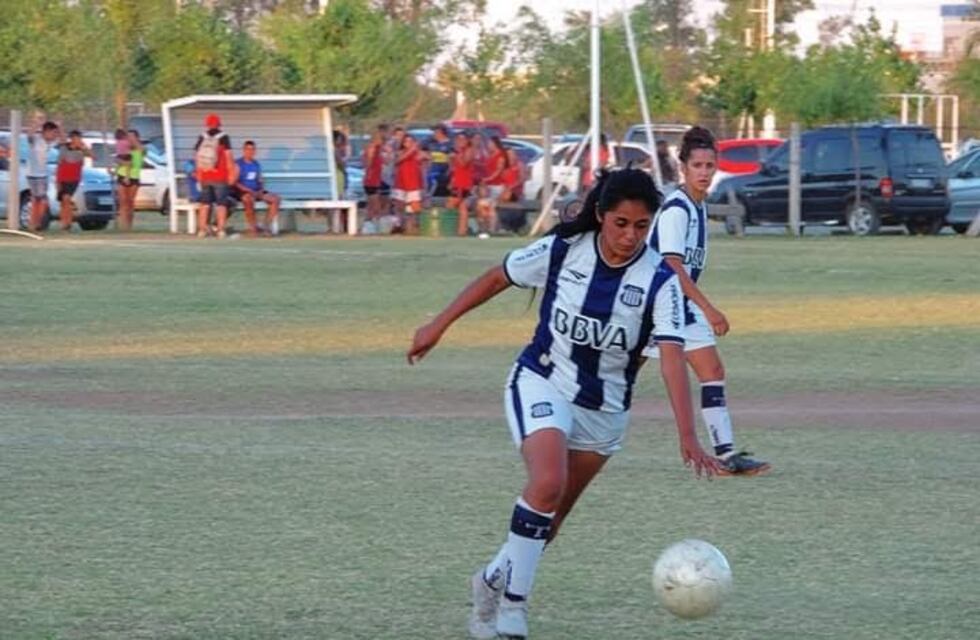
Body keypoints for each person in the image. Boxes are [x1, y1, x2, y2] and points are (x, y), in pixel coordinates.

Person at [407, 167, 722, 639]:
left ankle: (492, 579)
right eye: (620, 223)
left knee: (547, 523)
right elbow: (498, 277)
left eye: (641, 226)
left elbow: (672, 359)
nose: (629, 236)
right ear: (600, 215)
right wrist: (438, 324)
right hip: (542, 381)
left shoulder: (659, 280)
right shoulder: (563, 250)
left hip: (605, 412)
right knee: (547, 482)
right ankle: (513, 607)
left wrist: (687, 434)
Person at [645, 126, 770, 476]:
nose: (704, 172)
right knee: (613, 379)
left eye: (709, 165)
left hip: (679, 305)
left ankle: (727, 456)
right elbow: (671, 266)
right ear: (683, 167)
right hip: (651, 307)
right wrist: (708, 308)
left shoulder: (698, 208)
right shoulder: (677, 210)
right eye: (697, 165)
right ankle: (570, 440)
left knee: (712, 370)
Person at [193, 113, 235, 238]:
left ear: (207, 124)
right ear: (218, 124)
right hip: (220, 176)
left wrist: (199, 173)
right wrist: (231, 173)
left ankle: (202, 230)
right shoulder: (224, 137)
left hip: (205, 175)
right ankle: (221, 230)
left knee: (205, 204)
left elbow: (196, 157)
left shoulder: (202, 137)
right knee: (221, 204)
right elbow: (229, 157)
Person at [233, 140, 280, 236]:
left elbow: (260, 180)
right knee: (248, 199)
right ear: (244, 150)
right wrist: (248, 190)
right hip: (243, 191)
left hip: (256, 191)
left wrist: (260, 190)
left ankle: (266, 226)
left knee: (275, 199)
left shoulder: (256, 164)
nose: (250, 151)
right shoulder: (238, 164)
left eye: (252, 149)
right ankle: (253, 228)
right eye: (248, 149)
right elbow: (234, 182)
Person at [55, 130, 92, 231]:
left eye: (79, 138)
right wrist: (57, 181)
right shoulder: (64, 149)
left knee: (67, 199)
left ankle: (68, 223)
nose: (78, 140)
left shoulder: (81, 150)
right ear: (71, 139)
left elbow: (92, 156)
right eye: (76, 138)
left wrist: (84, 148)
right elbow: (59, 165)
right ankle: (64, 223)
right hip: (63, 178)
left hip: (74, 179)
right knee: (63, 202)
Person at [26, 121, 59, 232]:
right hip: (33, 174)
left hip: (42, 175)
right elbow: (29, 135)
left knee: (40, 200)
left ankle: (35, 223)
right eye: (53, 132)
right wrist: (37, 122)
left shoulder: (49, 142)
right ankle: (34, 223)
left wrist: (59, 125)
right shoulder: (36, 139)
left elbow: (61, 140)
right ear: (46, 131)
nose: (54, 135)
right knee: (39, 200)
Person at [475, 136, 509, 238]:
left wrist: (487, 179)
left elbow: (498, 171)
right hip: (489, 186)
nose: (488, 146)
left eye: (490, 143)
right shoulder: (490, 155)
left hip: (497, 186)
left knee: (491, 206)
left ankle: (492, 229)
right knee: (483, 206)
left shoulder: (501, 156)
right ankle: (485, 228)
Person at [394, 133, 424, 234]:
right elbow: (399, 159)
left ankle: (414, 226)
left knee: (414, 206)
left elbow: (425, 159)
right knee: (400, 206)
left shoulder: (417, 153)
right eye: (406, 141)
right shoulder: (400, 152)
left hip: (413, 182)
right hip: (401, 182)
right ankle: (401, 226)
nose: (409, 144)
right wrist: (413, 149)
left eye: (411, 141)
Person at [115, 129, 144, 231]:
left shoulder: (140, 149)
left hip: (134, 176)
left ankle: (129, 224)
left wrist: (134, 141)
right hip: (123, 175)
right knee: (123, 200)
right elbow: (118, 159)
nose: (130, 139)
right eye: (128, 137)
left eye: (132, 137)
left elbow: (142, 151)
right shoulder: (124, 148)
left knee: (130, 201)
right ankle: (123, 225)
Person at [448, 132, 475, 236]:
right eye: (458, 139)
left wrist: (456, 155)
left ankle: (462, 231)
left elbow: (464, 163)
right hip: (457, 183)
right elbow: (453, 168)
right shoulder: (458, 152)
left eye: (463, 139)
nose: (460, 141)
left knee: (463, 207)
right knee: (450, 205)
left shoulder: (469, 151)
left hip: (465, 184)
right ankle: (453, 228)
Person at [363, 129, 386, 228]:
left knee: (371, 204)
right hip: (371, 179)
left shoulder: (379, 149)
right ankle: (376, 223)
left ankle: (369, 223)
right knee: (375, 204)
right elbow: (368, 163)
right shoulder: (372, 148)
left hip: (376, 179)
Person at [425, 124, 453, 197]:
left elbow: (452, 161)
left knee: (443, 194)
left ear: (440, 132)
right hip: (431, 174)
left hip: (444, 175)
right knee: (431, 193)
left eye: (435, 132)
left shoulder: (450, 144)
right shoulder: (431, 143)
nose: (433, 134)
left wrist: (449, 173)